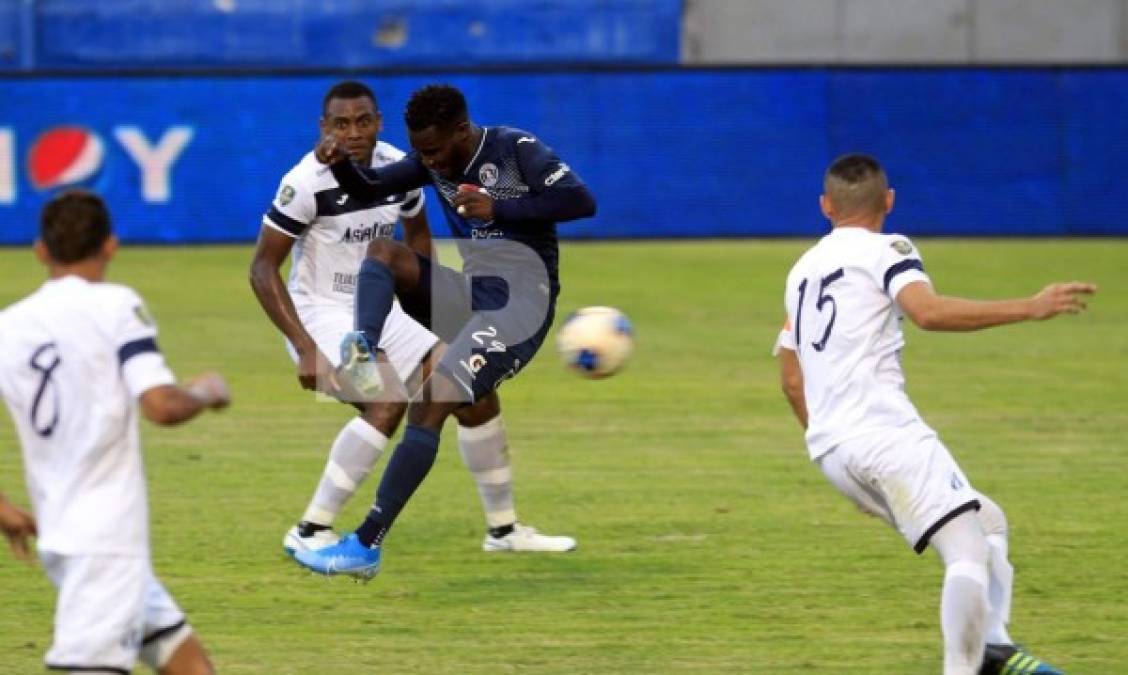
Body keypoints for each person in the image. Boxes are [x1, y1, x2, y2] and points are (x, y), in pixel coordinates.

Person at [775, 154, 1091, 675]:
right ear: (890, 202)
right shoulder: (889, 248)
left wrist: (842, 457)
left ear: (825, 206)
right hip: (882, 432)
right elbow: (929, 312)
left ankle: (992, 647)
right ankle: (966, 667)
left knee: (988, 520)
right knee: (966, 548)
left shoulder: (802, 270)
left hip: (832, 447)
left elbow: (791, 380)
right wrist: (1029, 307)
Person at [250, 80, 575, 558]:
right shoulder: (306, 182)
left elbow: (417, 241)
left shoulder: (395, 165)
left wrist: (423, 308)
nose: (353, 132)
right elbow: (261, 268)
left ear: (378, 122)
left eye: (363, 121)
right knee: (387, 401)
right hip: (323, 316)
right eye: (341, 124)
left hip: (381, 308)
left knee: (475, 394)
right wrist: (303, 346)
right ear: (324, 127)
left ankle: (504, 531)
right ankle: (309, 527)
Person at [0, 190, 230, 674]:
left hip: (67, 536)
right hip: (106, 543)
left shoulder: (9, 326)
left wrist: (3, 510)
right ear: (111, 246)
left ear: (41, 251)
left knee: (188, 664)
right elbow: (161, 406)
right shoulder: (116, 306)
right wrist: (206, 391)